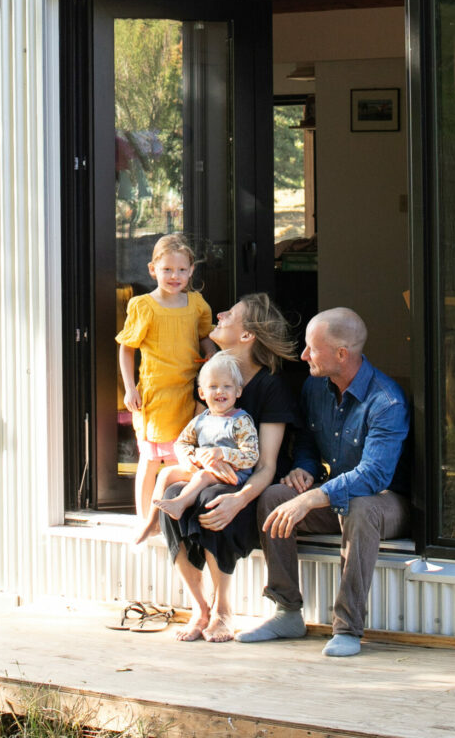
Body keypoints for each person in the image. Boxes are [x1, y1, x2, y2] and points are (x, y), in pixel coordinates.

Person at [237, 307, 410, 658]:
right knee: (274, 496)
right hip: (334, 497)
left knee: (361, 507)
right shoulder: (315, 387)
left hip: (386, 502)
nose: (303, 356)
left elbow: (374, 476)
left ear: (341, 354)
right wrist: (304, 469)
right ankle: (286, 612)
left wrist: (314, 496)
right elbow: (307, 442)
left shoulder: (385, 400)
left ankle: (347, 628)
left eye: (311, 349)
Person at [157, 293, 302, 643]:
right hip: (209, 478)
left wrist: (238, 500)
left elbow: (266, 465)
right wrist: (195, 459)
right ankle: (199, 608)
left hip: (250, 488)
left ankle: (224, 610)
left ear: (248, 335)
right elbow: (190, 441)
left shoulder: (271, 387)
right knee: (172, 497)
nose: (219, 314)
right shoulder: (211, 379)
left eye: (230, 314)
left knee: (215, 496)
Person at [116, 234, 215, 532]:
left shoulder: (196, 303)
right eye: (167, 270)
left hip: (187, 392)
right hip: (156, 395)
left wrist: (211, 354)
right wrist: (129, 387)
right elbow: (127, 347)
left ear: (192, 270)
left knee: (178, 459)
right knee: (150, 459)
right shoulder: (144, 305)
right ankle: (143, 518)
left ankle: (165, 518)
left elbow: (204, 335)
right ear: (152, 269)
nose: (175, 276)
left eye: (181, 270)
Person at [159, 352, 259, 523]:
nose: (220, 391)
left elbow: (251, 456)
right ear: (202, 393)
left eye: (227, 386)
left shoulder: (240, 421)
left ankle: (179, 503)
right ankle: (154, 519)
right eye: (213, 387)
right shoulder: (200, 420)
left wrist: (223, 453)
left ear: (238, 391)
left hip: (233, 475)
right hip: (203, 468)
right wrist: (190, 458)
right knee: (166, 473)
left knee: (202, 477)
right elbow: (181, 443)